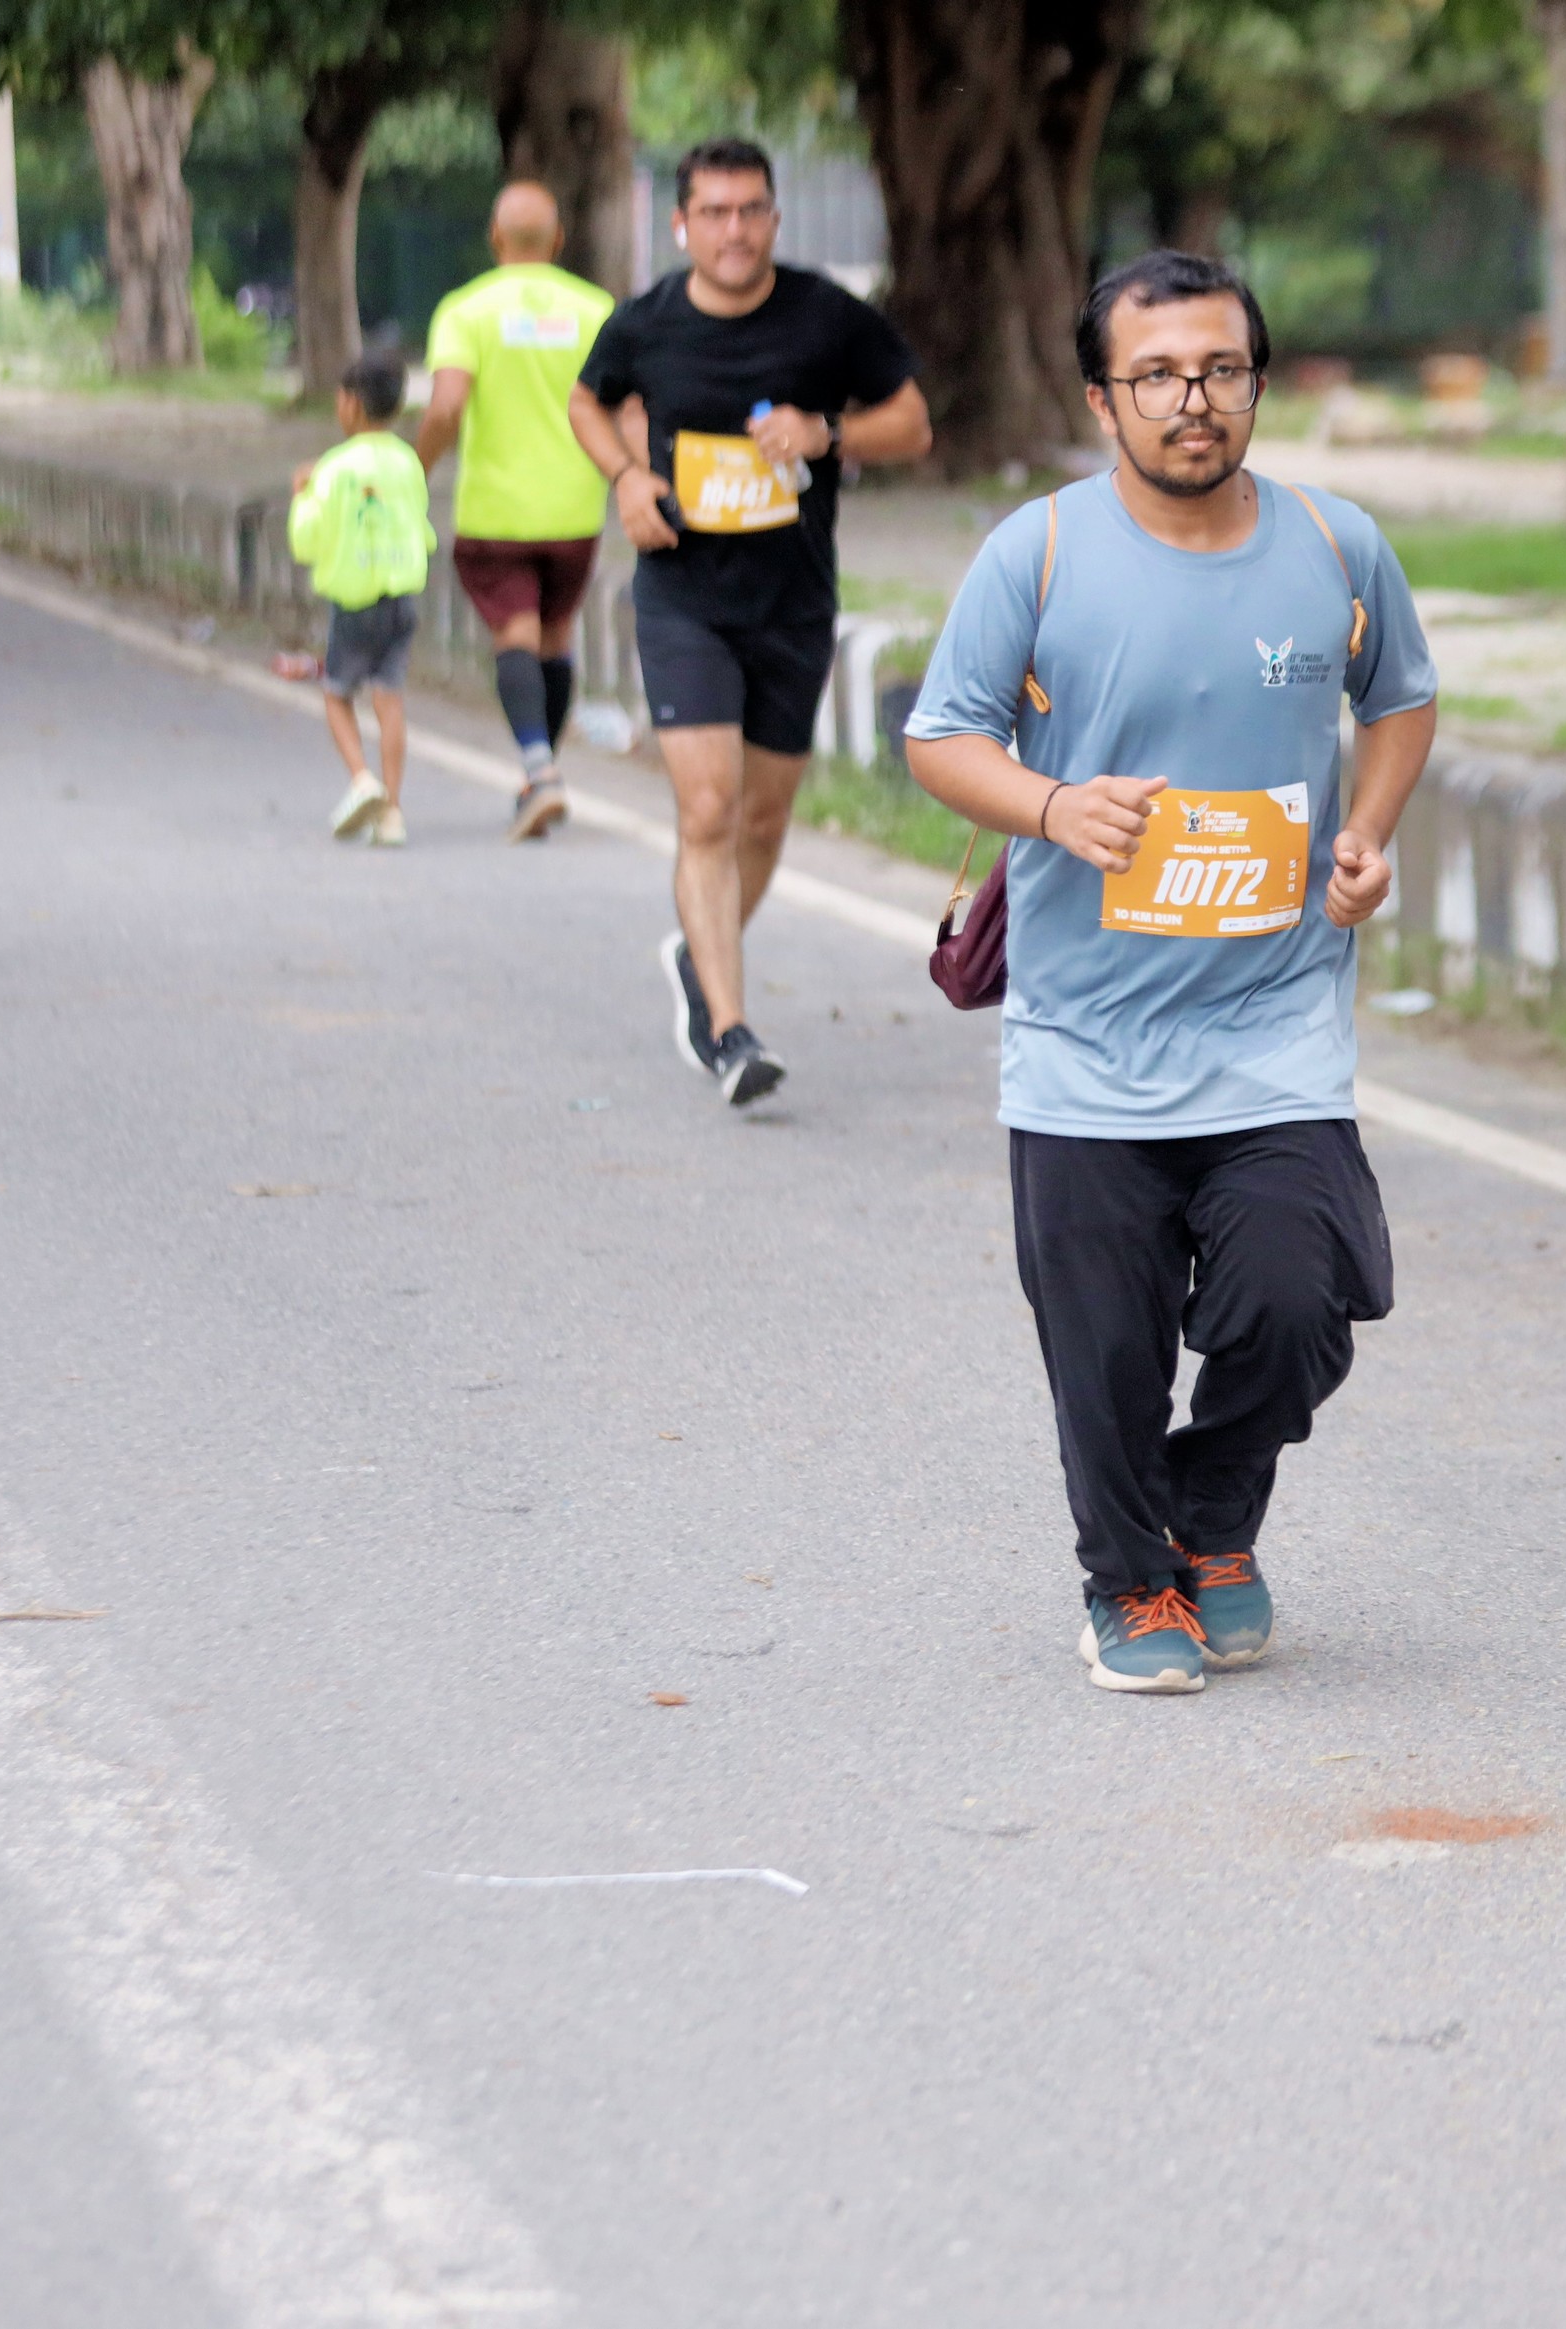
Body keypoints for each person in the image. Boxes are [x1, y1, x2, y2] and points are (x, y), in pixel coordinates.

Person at [901, 250, 1437, 1694]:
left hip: (1275, 1024)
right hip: (1085, 1043)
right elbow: (941, 736)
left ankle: (1208, 1521)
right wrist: (1051, 806)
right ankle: (1128, 1583)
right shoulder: (1038, 554)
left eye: (1219, 370)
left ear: (1256, 381)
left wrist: (1367, 834)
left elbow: (1400, 699)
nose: (1192, 401)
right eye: (1155, 376)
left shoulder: (1333, 546)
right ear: (1101, 399)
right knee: (1107, 1353)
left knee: (1297, 1297)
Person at [568, 136, 934, 1109]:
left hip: (792, 603)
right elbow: (586, 403)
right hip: (682, 596)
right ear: (681, 224)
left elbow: (913, 422)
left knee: (765, 816)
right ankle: (730, 1031)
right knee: (708, 809)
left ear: (773, 217)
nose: (734, 230)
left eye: (750, 211)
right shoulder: (644, 323)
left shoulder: (826, 316)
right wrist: (627, 478)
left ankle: (700, 953)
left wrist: (828, 432)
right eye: (714, 213)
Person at [415, 182, 614, 842]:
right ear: (558, 240)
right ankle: (542, 773)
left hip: (496, 512)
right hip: (576, 508)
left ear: (495, 238)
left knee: (516, 637)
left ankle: (538, 770)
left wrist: (413, 471)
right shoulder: (595, 309)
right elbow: (625, 402)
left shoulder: (466, 310)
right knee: (554, 637)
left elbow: (446, 406)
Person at [290, 355, 434, 849]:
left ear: (350, 404)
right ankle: (392, 812)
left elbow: (306, 540)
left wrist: (301, 496)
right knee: (389, 698)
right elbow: (420, 523)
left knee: (337, 693)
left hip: (354, 597)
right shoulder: (408, 462)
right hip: (403, 593)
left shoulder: (334, 467)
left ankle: (361, 778)